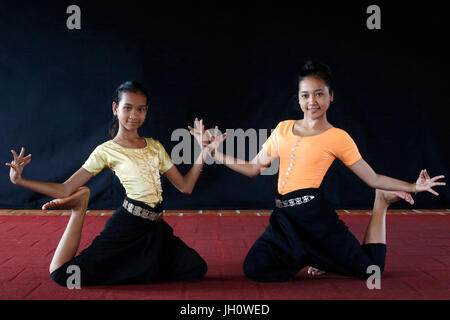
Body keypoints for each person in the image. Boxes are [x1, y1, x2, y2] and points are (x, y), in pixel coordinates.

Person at [204, 60, 446, 282]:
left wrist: (413, 186)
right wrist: (215, 154)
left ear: (331, 96)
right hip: (284, 219)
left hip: (315, 218)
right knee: (256, 268)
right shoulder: (283, 129)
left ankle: (380, 204)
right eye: (305, 95)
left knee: (371, 270)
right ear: (298, 99)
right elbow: (254, 167)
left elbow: (372, 178)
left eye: (319, 94)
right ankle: (313, 255)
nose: (312, 101)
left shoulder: (337, 137)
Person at [5, 81, 209, 286]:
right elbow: (66, 188)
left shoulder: (155, 146)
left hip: (156, 228)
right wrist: (21, 180)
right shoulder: (106, 150)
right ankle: (80, 205)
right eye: (127, 108)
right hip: (128, 225)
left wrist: (202, 152)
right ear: (115, 109)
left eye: (141, 109)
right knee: (67, 276)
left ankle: (139, 264)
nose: (134, 115)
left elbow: (185, 186)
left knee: (196, 268)